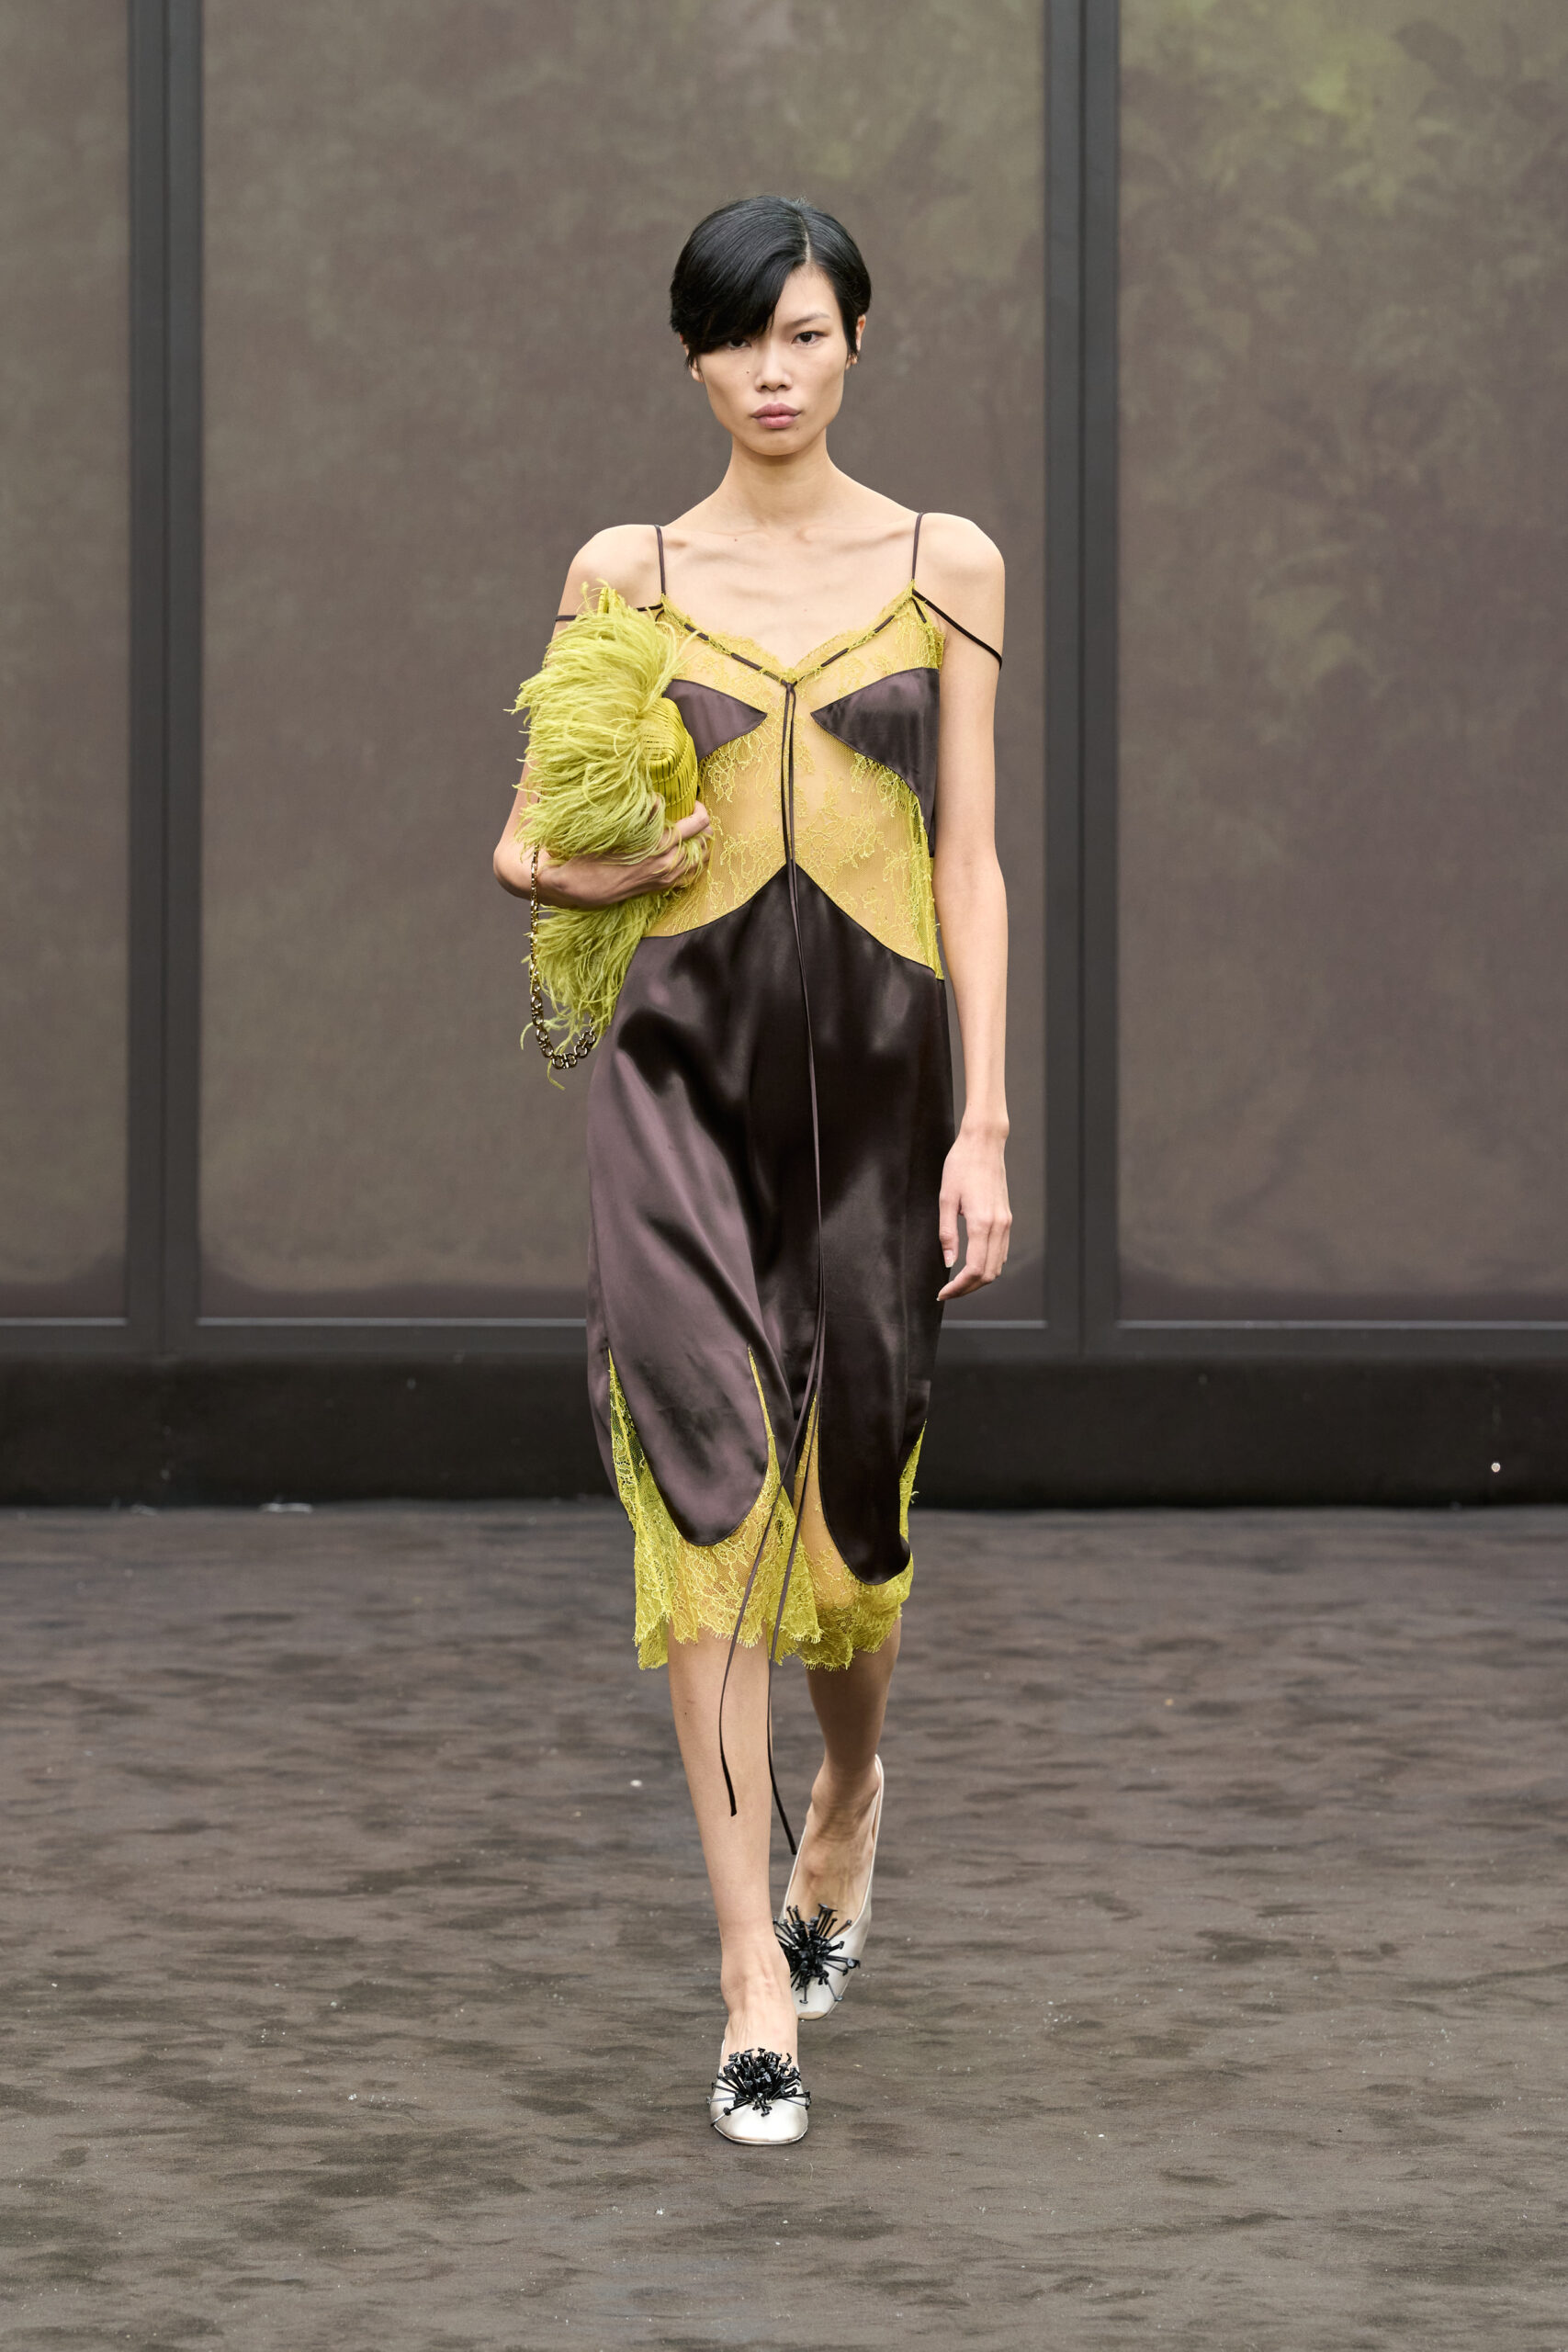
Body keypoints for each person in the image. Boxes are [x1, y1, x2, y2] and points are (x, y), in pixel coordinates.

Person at [493, 194, 1010, 2143]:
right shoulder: (622, 570)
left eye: (803, 332)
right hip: (676, 1074)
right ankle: (746, 1989)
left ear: (857, 338)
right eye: (736, 338)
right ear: (692, 359)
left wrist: (984, 1121)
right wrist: (599, 868)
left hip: (882, 1084)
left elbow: (969, 861)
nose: (771, 372)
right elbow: (525, 842)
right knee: (702, 1504)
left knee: (853, 1520)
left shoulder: (945, 561)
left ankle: (848, 1794)